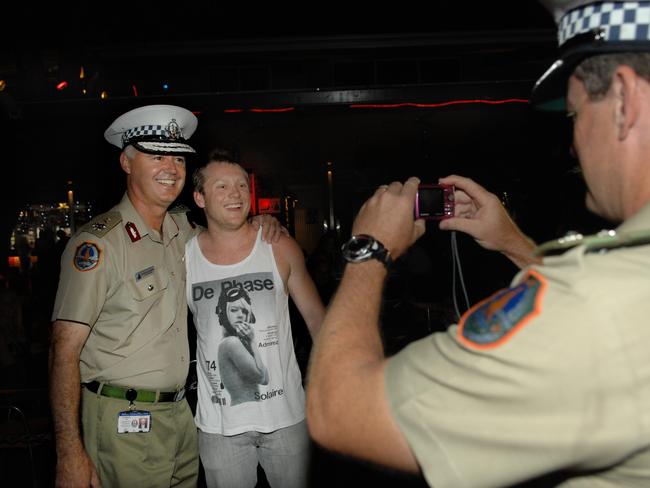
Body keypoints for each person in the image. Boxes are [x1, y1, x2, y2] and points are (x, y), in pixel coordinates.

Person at [307, 1, 650, 487]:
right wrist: (512, 242)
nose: (572, 144)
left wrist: (370, 248)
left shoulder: (599, 306)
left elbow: (338, 411)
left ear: (623, 99)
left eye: (574, 116)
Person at [49, 105, 282, 487]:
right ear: (126, 162)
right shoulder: (99, 245)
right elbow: (63, 350)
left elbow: (225, 233)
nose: (171, 168)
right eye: (156, 155)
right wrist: (69, 452)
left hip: (179, 416)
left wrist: (259, 221)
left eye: (177, 158)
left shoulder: (181, 231)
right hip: (121, 418)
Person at [186, 149, 325, 488]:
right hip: (220, 428)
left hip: (287, 420)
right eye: (221, 187)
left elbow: (319, 322)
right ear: (199, 198)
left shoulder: (278, 246)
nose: (235, 194)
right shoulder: (183, 257)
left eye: (241, 186)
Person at [216, 285, 269, 406]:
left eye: (244, 311)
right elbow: (262, 378)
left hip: (247, 409)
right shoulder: (231, 343)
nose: (240, 315)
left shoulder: (236, 341)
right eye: (234, 310)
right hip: (245, 410)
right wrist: (252, 341)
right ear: (223, 314)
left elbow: (266, 377)